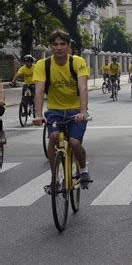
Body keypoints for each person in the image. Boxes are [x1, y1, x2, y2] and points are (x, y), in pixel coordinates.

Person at [32, 30, 91, 191]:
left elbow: (83, 86)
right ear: (50, 46)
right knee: (54, 137)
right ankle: (54, 178)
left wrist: (83, 111)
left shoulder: (77, 62)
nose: (59, 48)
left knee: (74, 142)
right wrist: (38, 115)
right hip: (55, 111)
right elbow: (38, 89)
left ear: (68, 46)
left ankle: (84, 170)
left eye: (62, 44)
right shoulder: (42, 65)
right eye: (55, 44)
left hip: (75, 111)